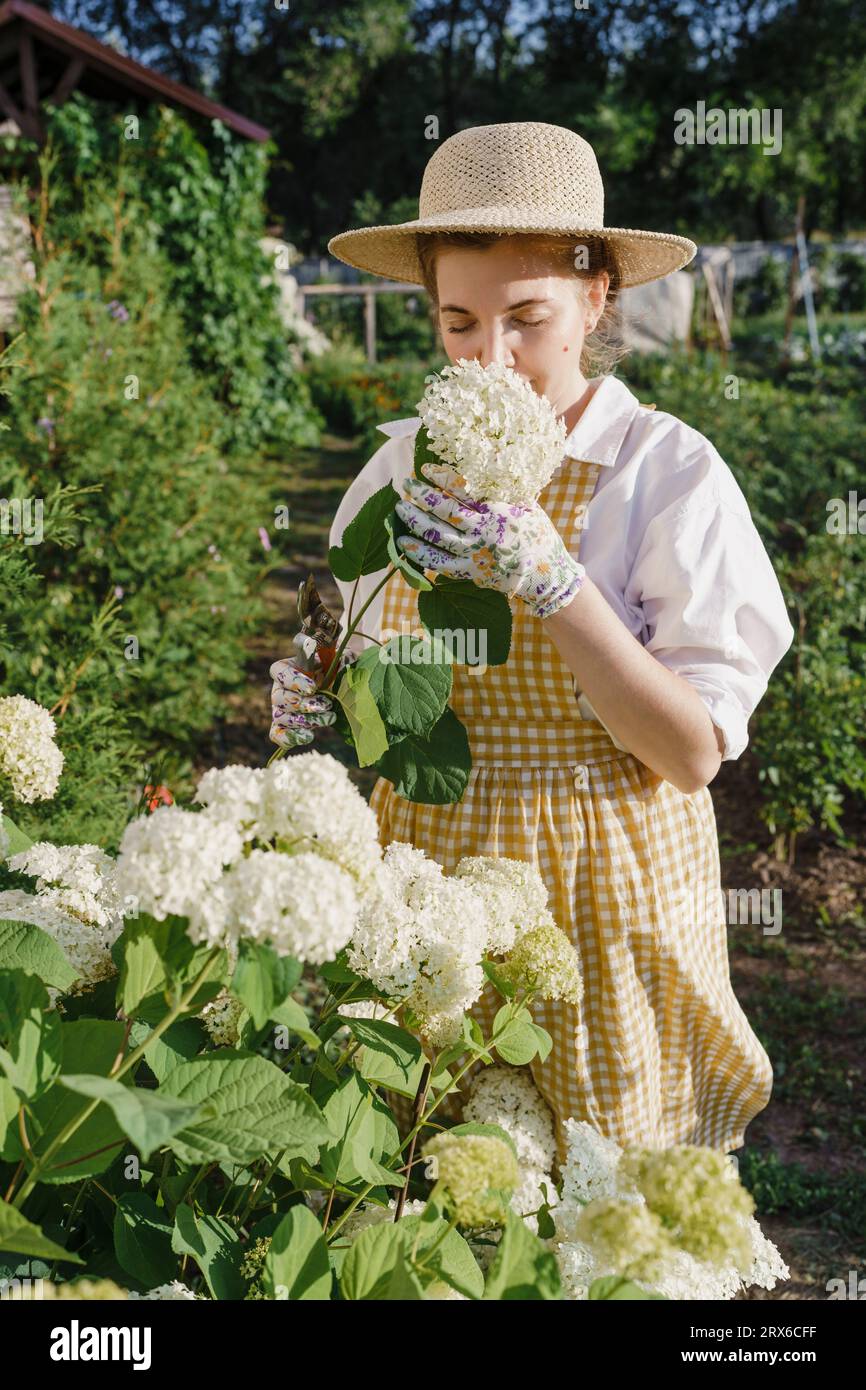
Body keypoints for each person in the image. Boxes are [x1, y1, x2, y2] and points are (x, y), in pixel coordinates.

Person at [269, 122, 795, 1173]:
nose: (491, 357)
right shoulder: (393, 476)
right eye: (458, 321)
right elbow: (378, 685)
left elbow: (690, 752)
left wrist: (553, 580)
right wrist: (323, 690)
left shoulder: (665, 473)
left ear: (596, 298)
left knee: (613, 1192)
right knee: (431, 1176)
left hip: (609, 874)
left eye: (527, 318)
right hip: (431, 862)